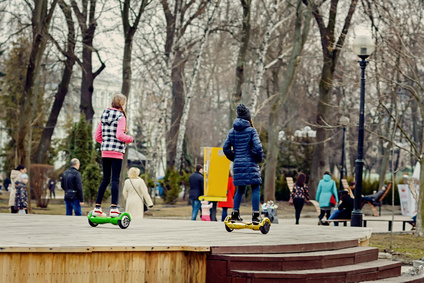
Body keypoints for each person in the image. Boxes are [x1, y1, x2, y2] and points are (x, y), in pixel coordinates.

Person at [93, 93, 134, 217]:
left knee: (105, 179)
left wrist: (106, 144)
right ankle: (114, 208)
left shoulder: (104, 114)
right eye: (125, 103)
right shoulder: (121, 116)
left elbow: (97, 136)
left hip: (105, 151)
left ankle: (97, 207)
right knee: (115, 180)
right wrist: (130, 138)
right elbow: (119, 136)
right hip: (116, 152)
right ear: (121, 104)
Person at [223, 104, 264, 225]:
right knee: (255, 187)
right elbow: (258, 147)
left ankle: (235, 213)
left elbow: (225, 148)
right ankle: (256, 215)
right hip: (251, 162)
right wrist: (258, 158)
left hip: (238, 164)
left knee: (240, 189)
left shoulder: (232, 132)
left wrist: (234, 157)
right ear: (248, 118)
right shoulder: (252, 131)